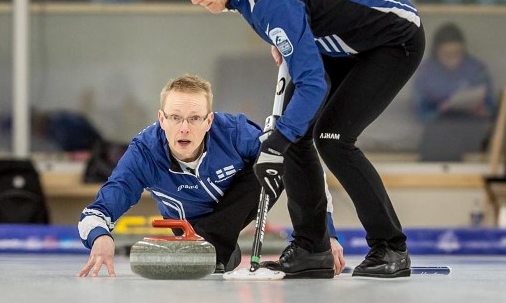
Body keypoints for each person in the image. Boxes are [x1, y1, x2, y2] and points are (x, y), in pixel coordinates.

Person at [166, 0, 425, 279]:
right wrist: (287, 36)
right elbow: (299, 7)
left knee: (332, 138)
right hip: (337, 38)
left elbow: (313, 84)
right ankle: (311, 248)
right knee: (296, 135)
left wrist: (279, 137)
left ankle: (391, 247)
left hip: (392, 37)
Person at [77, 74, 345, 278]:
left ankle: (212, 245)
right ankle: (219, 250)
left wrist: (324, 235)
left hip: (213, 229)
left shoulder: (234, 132)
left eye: (194, 119)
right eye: (175, 118)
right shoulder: (144, 152)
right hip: (189, 232)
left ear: (209, 121)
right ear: (161, 119)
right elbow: (94, 213)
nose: (184, 128)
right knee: (219, 261)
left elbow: (304, 167)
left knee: (277, 157)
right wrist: (100, 238)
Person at [415, 23, 494, 161]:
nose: (453, 59)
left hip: (472, 131)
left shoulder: (477, 69)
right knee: (441, 137)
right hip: (438, 135)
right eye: (446, 54)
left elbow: (493, 108)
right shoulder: (425, 72)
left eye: (457, 54)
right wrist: (440, 110)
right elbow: (420, 114)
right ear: (436, 52)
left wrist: (484, 111)